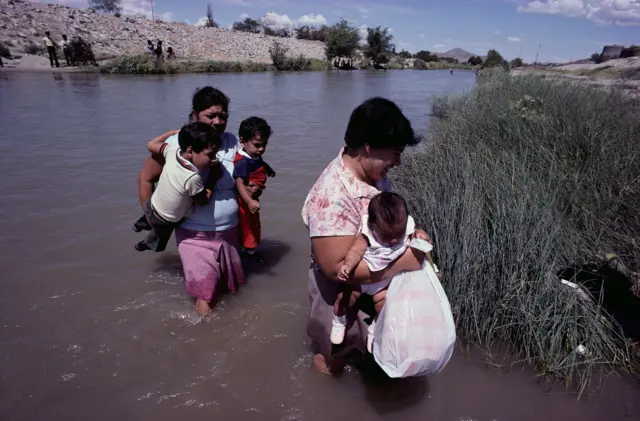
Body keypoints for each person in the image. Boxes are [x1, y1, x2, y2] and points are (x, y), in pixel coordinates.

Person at [301, 97, 428, 374]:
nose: (398, 161)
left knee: (369, 346)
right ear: (368, 146)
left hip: (375, 281)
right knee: (334, 353)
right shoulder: (333, 194)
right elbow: (335, 270)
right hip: (339, 293)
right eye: (395, 152)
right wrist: (406, 261)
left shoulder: (373, 175)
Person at [137, 86, 244, 316]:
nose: (217, 121)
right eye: (210, 115)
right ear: (195, 115)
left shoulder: (233, 142)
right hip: (194, 236)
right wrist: (152, 215)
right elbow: (146, 178)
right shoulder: (180, 144)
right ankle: (207, 343)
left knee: (229, 292)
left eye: (222, 115)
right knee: (206, 295)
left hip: (229, 232)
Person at [332, 192, 429, 352]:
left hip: (385, 283)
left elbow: (423, 240)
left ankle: (376, 327)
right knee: (344, 298)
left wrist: (422, 237)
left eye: (398, 234)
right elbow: (356, 251)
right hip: (363, 280)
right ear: (372, 226)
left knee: (385, 306)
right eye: (386, 236)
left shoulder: (407, 231)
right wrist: (348, 265)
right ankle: (339, 320)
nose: (393, 240)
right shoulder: (368, 235)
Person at [134, 122, 222, 252]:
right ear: (190, 151)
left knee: (152, 215)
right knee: (160, 237)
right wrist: (214, 177)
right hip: (167, 220)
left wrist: (170, 133)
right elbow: (203, 200)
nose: (213, 159)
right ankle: (146, 244)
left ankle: (141, 223)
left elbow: (150, 145)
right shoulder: (191, 178)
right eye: (210, 154)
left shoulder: (172, 150)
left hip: (151, 205)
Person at [232, 117, 276, 263]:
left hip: (251, 199)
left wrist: (268, 169)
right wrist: (249, 201)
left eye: (264, 144)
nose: (261, 149)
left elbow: (259, 163)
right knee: (249, 225)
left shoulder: (253, 155)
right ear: (243, 141)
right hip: (245, 202)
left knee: (254, 224)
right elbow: (239, 183)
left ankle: (248, 249)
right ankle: (249, 252)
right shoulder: (243, 162)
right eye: (257, 145)